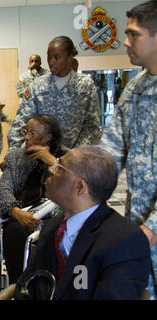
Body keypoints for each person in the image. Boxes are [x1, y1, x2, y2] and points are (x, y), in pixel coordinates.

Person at [14, 146, 151, 300]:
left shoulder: (125, 241)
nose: (51, 170)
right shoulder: (53, 226)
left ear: (79, 187)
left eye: (60, 168)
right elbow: (25, 287)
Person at [99, 0, 157, 299]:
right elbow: (109, 152)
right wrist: (78, 183)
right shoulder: (136, 88)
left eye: (133, 34)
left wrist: (152, 229)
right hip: (139, 233)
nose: (125, 41)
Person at [0, 114, 66, 283]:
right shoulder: (16, 157)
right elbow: (1, 191)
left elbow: (80, 187)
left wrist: (51, 161)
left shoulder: (69, 157)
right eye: (26, 131)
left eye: (32, 132)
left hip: (58, 217)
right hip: (26, 215)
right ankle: (19, 286)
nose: (26, 136)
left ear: (48, 137)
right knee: (14, 230)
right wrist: (16, 212)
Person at [8, 36, 100, 150]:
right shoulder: (37, 85)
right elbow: (21, 121)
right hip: (38, 156)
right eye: (49, 57)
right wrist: (13, 152)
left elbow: (92, 126)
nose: (51, 62)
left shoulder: (85, 85)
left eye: (57, 57)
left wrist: (77, 154)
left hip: (71, 158)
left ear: (70, 57)